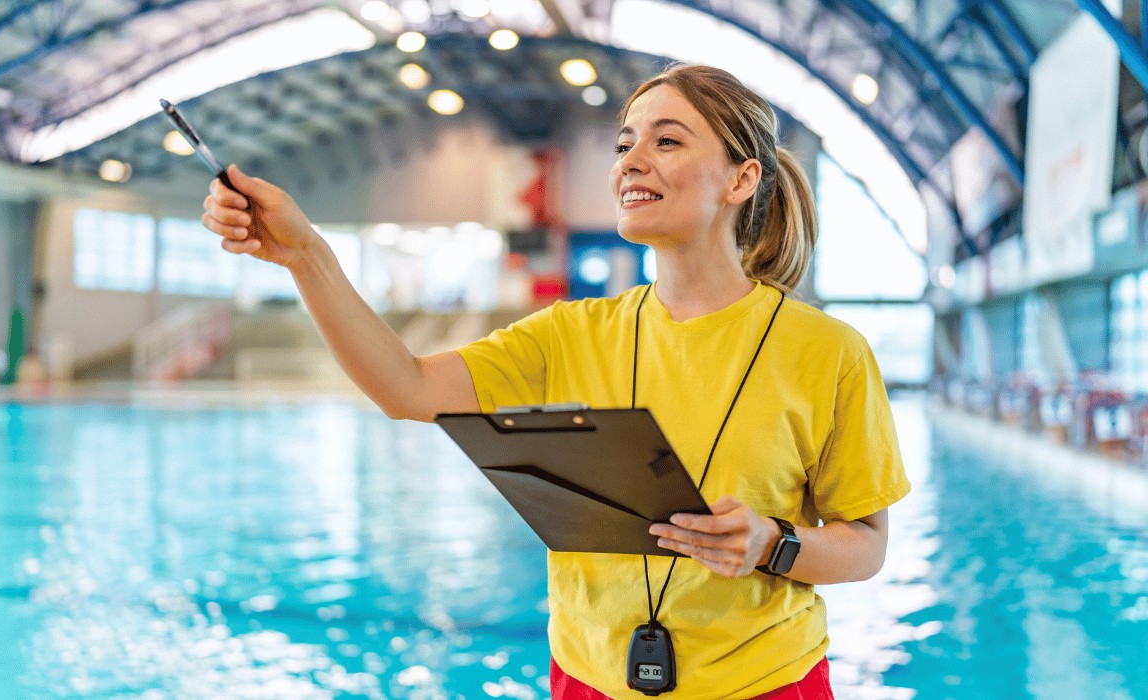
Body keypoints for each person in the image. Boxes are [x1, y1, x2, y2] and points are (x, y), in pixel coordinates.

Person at [202, 63, 909, 700]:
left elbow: (867, 545)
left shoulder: (827, 351)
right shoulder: (569, 332)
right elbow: (406, 387)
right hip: (589, 678)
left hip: (761, 683)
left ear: (741, 179)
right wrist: (306, 257)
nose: (631, 160)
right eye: (624, 143)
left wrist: (773, 543)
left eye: (666, 141)